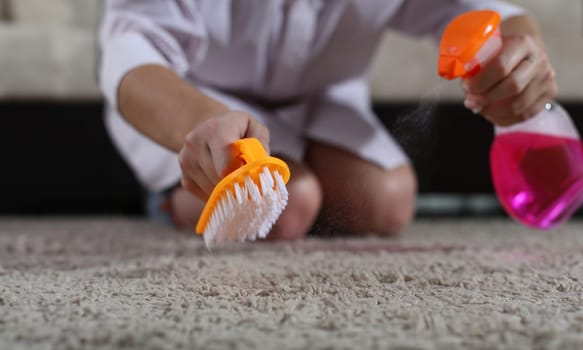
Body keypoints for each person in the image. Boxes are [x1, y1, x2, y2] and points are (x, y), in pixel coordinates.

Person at [99, 1, 557, 240]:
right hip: (197, 94)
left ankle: (306, 181)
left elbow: (489, 12)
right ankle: (167, 198)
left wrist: (521, 58)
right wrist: (202, 122)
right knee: (285, 208)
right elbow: (132, 49)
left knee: (386, 201)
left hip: (321, 94)